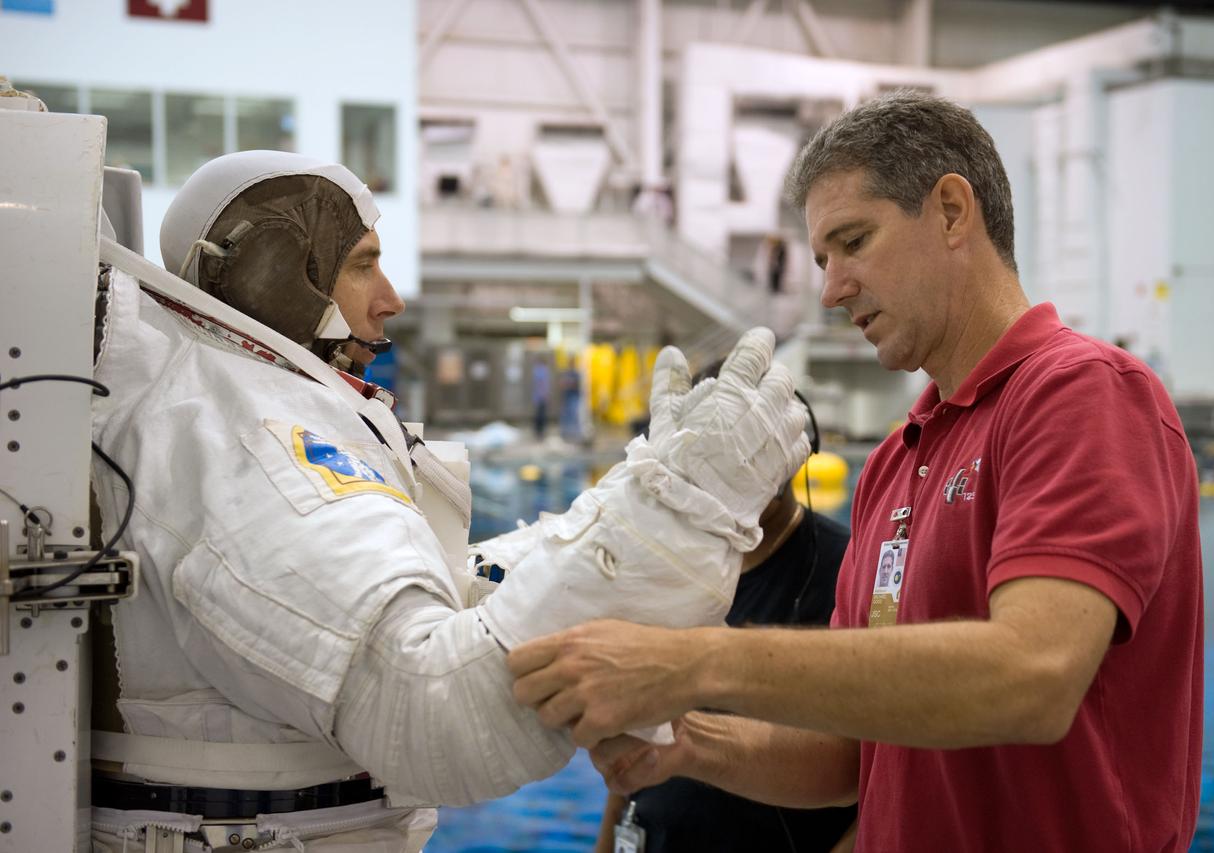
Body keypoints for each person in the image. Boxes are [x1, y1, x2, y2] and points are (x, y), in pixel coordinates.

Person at [507, 92, 1204, 853]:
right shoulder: (896, 461)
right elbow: (851, 754)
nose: (831, 289)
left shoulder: (1082, 394)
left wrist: (697, 661)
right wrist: (689, 745)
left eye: (853, 242)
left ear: (949, 211)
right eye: (821, 259)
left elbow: (1033, 674)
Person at [87, 150, 810, 851]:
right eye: (363, 263)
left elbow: (444, 602)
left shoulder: (232, 412)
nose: (390, 298)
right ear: (278, 269)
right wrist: (683, 504)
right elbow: (432, 713)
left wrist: (635, 492)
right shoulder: (243, 441)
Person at [596, 382, 856, 853]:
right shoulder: (668, 565)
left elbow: (873, 772)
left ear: (787, 458)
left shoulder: (847, 571)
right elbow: (632, 747)